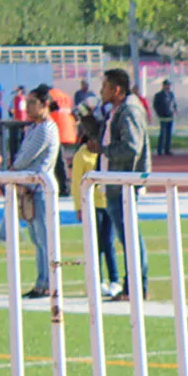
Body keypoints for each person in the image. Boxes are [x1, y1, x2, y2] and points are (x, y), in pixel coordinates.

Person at [99, 67, 151, 302]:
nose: (101, 91)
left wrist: (103, 150)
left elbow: (132, 147)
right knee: (126, 236)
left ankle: (136, 287)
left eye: (104, 86)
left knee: (129, 236)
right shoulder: (120, 109)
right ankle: (133, 286)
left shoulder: (129, 109)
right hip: (116, 182)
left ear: (116, 89)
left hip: (124, 183)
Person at [4, 84, 60, 300]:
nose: (27, 107)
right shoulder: (37, 127)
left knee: (44, 240)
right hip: (31, 189)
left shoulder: (45, 128)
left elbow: (25, 157)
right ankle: (42, 281)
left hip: (39, 190)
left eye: (32, 103)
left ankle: (48, 283)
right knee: (38, 239)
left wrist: (12, 170)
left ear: (44, 105)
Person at [70, 111, 117, 295]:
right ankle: (97, 280)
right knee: (95, 244)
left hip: (108, 203)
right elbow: (76, 184)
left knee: (109, 242)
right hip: (92, 205)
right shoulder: (81, 156)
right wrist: (79, 207)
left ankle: (114, 279)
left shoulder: (104, 153)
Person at [153, 80, 177, 154]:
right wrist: (159, 114)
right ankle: (159, 150)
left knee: (169, 134)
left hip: (170, 116)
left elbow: (174, 104)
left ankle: (167, 150)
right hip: (163, 116)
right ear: (163, 86)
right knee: (162, 134)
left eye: (169, 85)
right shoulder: (158, 95)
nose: (168, 86)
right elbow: (155, 105)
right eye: (166, 85)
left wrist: (175, 111)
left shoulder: (171, 94)